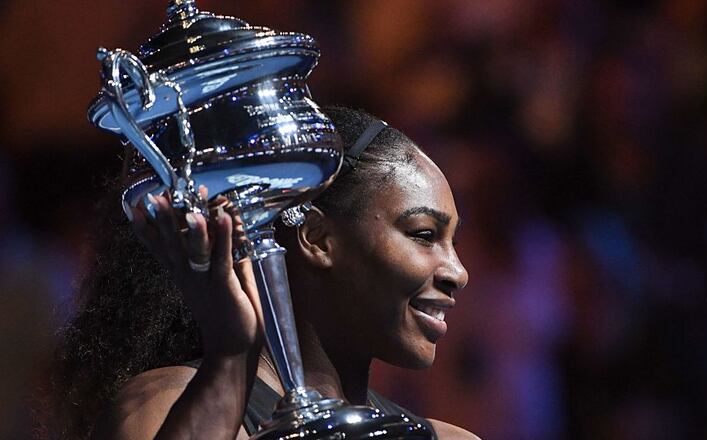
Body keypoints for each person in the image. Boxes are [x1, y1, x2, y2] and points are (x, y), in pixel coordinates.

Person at [49, 106, 479, 439]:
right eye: (424, 234)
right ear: (317, 238)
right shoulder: (163, 402)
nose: (457, 273)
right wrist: (231, 357)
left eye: (454, 243)